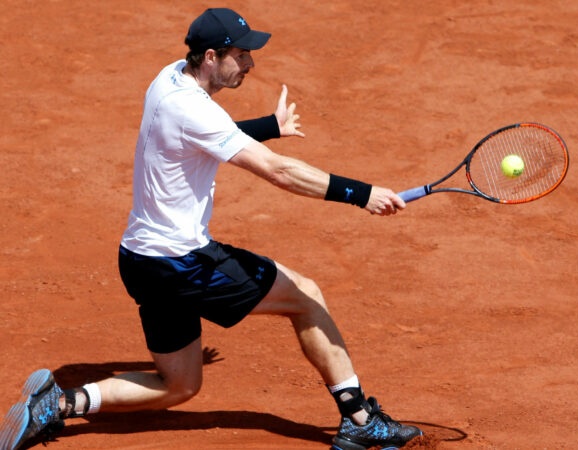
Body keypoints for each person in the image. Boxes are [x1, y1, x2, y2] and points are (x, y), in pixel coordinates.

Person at [0, 8, 423, 450]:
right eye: (241, 55)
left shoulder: (168, 78)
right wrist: (363, 194)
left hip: (141, 260)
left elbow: (204, 134)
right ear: (209, 57)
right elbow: (278, 172)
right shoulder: (195, 110)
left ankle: (56, 405)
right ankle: (358, 418)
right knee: (307, 296)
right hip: (186, 264)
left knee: (179, 385)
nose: (250, 65)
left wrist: (269, 127)